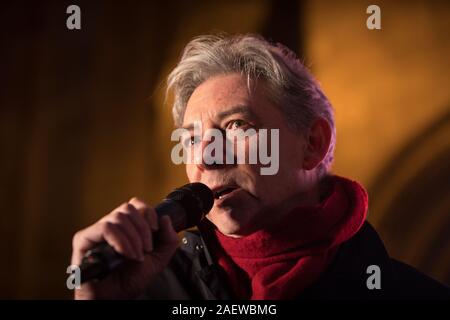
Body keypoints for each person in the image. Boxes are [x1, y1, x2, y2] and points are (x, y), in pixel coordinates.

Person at [71, 34, 450, 300]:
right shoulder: (144, 287)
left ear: (313, 145)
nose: (205, 157)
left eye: (236, 126)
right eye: (190, 139)